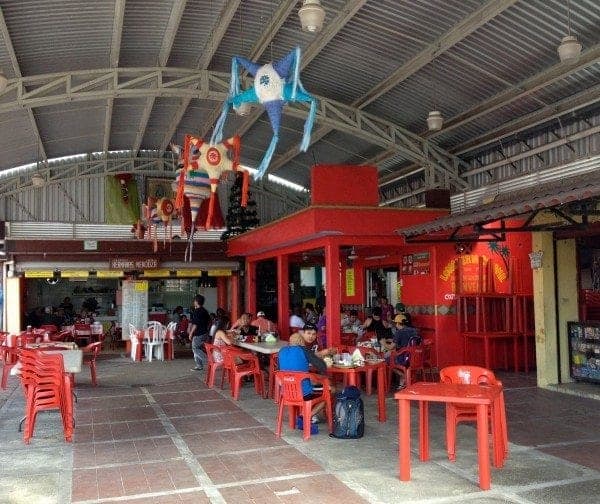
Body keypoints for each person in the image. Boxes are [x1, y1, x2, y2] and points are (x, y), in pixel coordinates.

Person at [278, 323, 329, 423]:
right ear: (301, 342)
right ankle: (307, 415)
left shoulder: (281, 351)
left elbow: (282, 370)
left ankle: (304, 414)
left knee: (312, 382)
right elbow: (322, 367)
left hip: (287, 392)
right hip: (304, 393)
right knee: (330, 391)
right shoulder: (304, 349)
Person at [188, 294, 211, 371]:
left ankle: (209, 361)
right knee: (198, 348)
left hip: (199, 333)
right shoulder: (205, 311)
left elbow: (195, 324)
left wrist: (191, 333)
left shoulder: (197, 311)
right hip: (204, 332)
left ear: (196, 302)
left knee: (195, 348)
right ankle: (199, 365)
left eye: (194, 301)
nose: (193, 302)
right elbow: (209, 321)